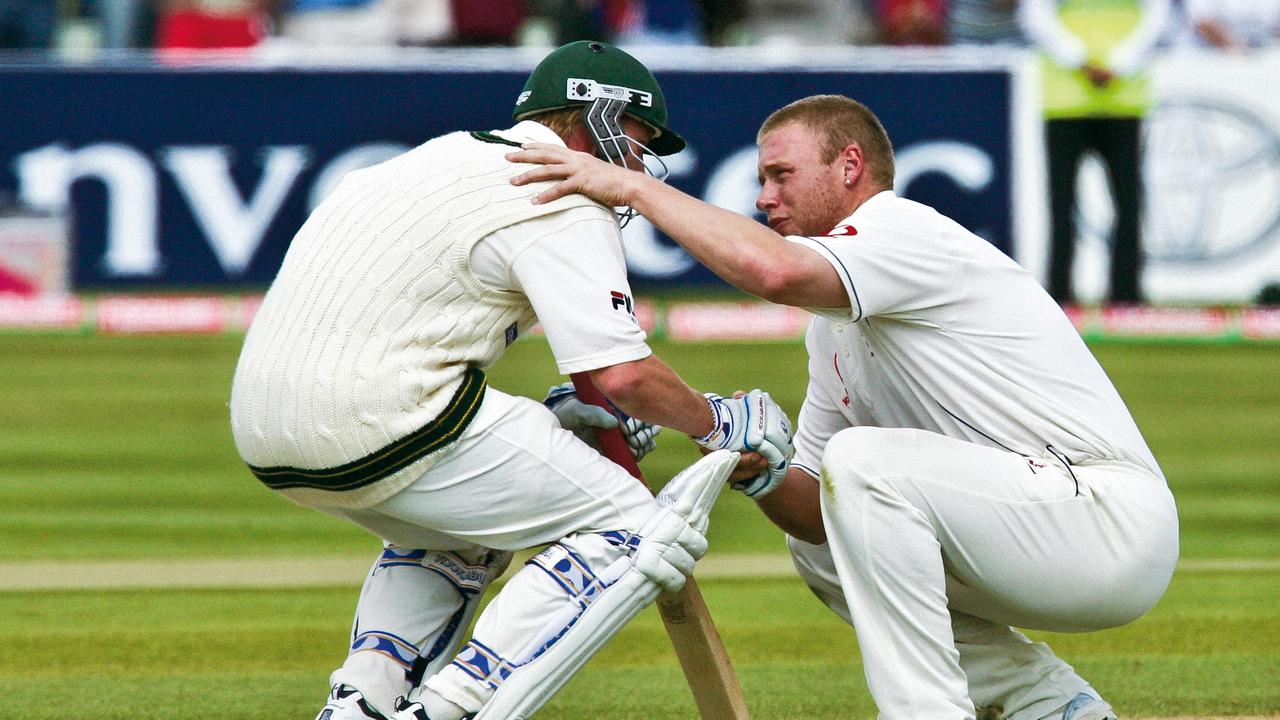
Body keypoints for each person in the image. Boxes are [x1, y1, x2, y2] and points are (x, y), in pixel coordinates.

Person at [508, 93, 1179, 719]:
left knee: (863, 464)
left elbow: (775, 271)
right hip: (1031, 532)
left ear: (850, 165)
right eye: (761, 179)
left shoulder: (903, 227)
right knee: (825, 539)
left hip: (1107, 524)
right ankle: (1047, 705)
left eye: (780, 175)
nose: (764, 198)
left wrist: (631, 184)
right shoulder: (829, 326)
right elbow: (818, 512)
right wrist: (757, 466)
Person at [228, 40, 793, 720]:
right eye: (640, 141)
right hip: (386, 418)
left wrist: (571, 415)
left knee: (461, 530)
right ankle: (451, 705)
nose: (642, 165)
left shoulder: (425, 160)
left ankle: (362, 701)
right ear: (602, 122)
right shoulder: (558, 189)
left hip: (265, 431)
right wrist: (720, 423)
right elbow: (623, 373)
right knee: (635, 530)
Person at [1019, 0, 1172, 305]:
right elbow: (1035, 16)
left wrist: (1105, 63)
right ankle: (1062, 294)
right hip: (1072, 102)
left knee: (1127, 205)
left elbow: (1159, 17)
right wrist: (1099, 62)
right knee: (1065, 207)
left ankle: (1125, 296)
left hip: (1113, 102)